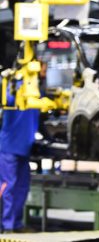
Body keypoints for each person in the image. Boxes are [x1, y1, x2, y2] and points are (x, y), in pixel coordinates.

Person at [0, 78, 39, 233]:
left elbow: (37, 119)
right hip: (9, 147)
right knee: (8, 187)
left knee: (22, 188)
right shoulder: (12, 87)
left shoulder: (36, 91)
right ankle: (6, 225)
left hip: (24, 148)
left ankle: (16, 223)